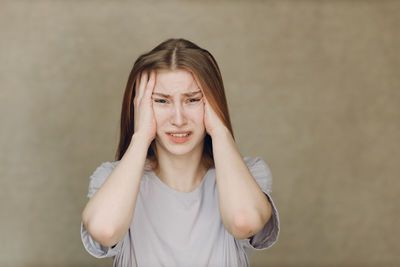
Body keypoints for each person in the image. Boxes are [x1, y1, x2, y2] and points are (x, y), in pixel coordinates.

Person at [80, 38, 280, 267]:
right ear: (140, 106)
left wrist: (220, 131)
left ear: (213, 104)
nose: (178, 119)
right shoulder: (110, 178)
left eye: (193, 99)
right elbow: (105, 230)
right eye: (162, 101)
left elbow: (243, 221)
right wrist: (140, 137)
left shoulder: (250, 173)